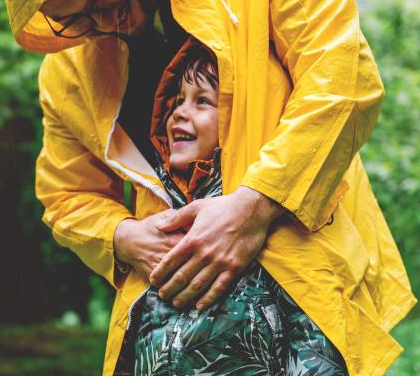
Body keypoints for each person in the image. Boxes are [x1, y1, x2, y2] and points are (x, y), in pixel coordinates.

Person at [0, 0, 416, 375]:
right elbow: (66, 194)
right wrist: (121, 236)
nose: (104, 20)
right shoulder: (68, 74)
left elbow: (342, 83)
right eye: (74, 19)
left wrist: (258, 203)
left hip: (302, 297)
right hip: (168, 332)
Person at [130, 37, 346, 375]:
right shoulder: (158, 202)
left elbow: (313, 332)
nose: (179, 113)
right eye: (177, 101)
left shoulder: (266, 215)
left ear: (234, 119)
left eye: (202, 101)